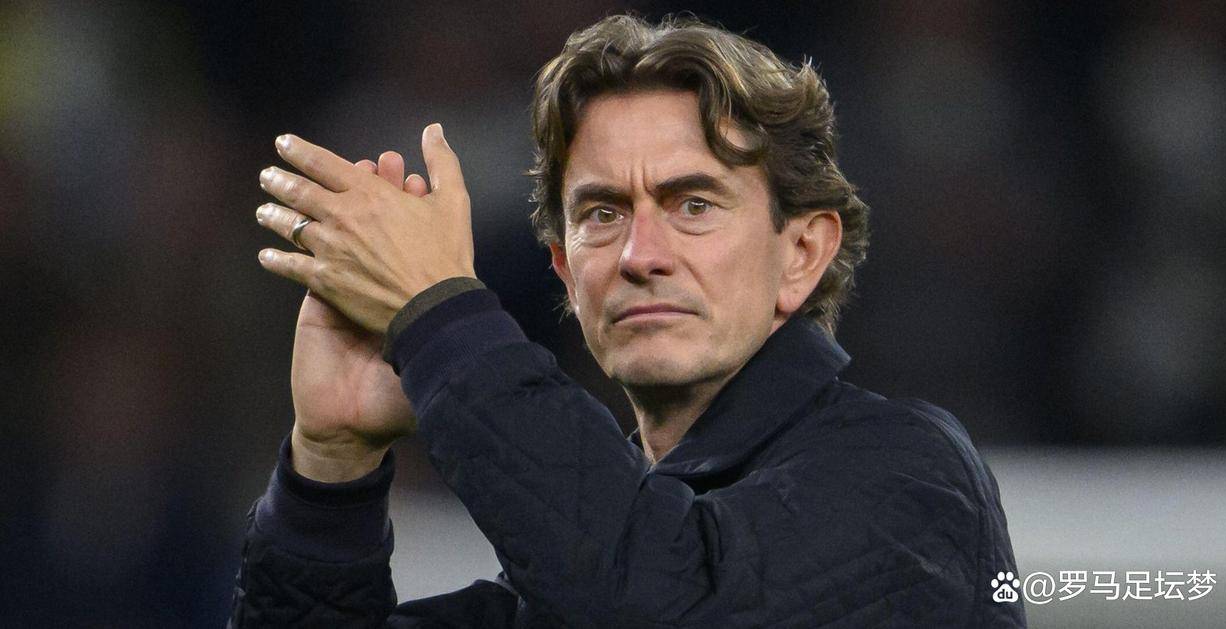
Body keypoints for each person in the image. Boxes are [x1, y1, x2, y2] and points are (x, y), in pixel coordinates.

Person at [229, 14, 1026, 628]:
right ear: (565, 272)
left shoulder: (913, 483)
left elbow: (660, 600)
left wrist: (443, 317)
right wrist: (328, 470)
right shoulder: (566, 577)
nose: (641, 254)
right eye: (603, 213)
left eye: (694, 203)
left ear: (802, 252)